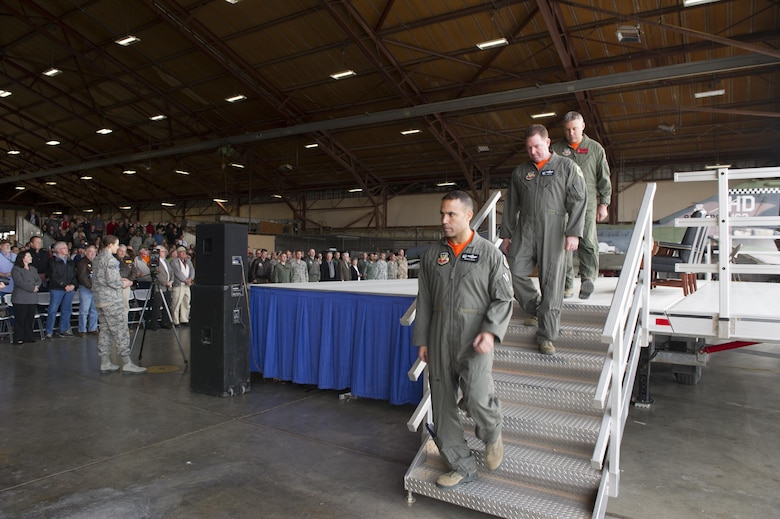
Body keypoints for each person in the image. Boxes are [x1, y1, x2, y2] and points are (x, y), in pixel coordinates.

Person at [413, 190, 514, 490]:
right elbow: (425, 300)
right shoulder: (433, 255)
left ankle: (492, 432)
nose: (444, 220)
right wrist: (423, 339)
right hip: (439, 337)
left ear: (469, 215)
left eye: (451, 214)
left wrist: (490, 331)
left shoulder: (490, 254)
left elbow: (503, 298)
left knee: (477, 397)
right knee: (443, 409)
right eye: (442, 214)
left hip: (475, 339)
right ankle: (463, 466)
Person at [500, 124, 587, 355]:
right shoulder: (520, 172)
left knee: (552, 283)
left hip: (555, 229)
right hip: (525, 228)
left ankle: (547, 336)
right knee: (513, 270)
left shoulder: (567, 167)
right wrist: (506, 234)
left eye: (537, 146)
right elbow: (510, 205)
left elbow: (578, 200)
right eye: (529, 148)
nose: (533, 152)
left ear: (547, 143)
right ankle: (535, 307)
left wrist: (573, 232)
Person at [550, 111, 612, 299]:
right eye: (567, 130)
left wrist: (604, 203)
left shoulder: (595, 149)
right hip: (561, 204)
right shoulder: (556, 149)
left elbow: (604, 178)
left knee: (588, 241)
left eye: (575, 129)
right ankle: (567, 284)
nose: (571, 133)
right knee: (563, 245)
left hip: (588, 203)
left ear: (583, 126)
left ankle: (588, 279)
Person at [92, 235, 145, 374]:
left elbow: (102, 278)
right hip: (111, 300)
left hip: (100, 299)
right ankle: (127, 362)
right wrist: (124, 283)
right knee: (121, 330)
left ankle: (105, 362)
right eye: (116, 245)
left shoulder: (98, 258)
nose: (118, 247)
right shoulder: (110, 259)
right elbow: (112, 281)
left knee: (105, 331)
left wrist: (118, 278)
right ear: (110, 245)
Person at [45, 241, 78, 339]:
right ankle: (49, 331)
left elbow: (73, 275)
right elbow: (53, 276)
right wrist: (64, 285)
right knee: (53, 310)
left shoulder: (70, 261)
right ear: (58, 250)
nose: (67, 249)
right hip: (56, 288)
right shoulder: (52, 261)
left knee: (67, 309)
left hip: (69, 288)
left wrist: (73, 285)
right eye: (64, 248)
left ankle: (64, 330)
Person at [11, 251, 40, 344]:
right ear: (23, 258)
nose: (31, 257)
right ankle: (18, 337)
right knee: (20, 319)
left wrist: (36, 286)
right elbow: (19, 282)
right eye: (28, 256)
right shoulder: (16, 269)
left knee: (29, 319)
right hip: (21, 298)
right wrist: (32, 287)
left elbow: (38, 280)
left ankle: (28, 336)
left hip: (32, 298)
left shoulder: (33, 269)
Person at [76, 245, 99, 337]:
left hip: (96, 289)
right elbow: (82, 277)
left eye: (94, 252)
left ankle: (93, 328)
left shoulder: (97, 262)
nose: (92, 254)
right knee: (84, 310)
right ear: (85, 253)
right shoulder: (82, 263)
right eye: (90, 252)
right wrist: (90, 286)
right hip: (86, 288)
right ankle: (82, 329)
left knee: (94, 310)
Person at [149, 246, 173, 330]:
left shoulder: (166, 261)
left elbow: (171, 272)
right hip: (159, 287)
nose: (165, 252)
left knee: (167, 305)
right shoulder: (155, 261)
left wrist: (170, 281)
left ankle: (165, 322)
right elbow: (156, 273)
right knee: (157, 306)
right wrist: (164, 282)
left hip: (168, 287)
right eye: (163, 251)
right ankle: (154, 324)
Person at [170, 246, 194, 326]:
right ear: (178, 254)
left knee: (186, 302)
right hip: (179, 285)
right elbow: (177, 272)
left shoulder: (188, 261)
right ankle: (175, 320)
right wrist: (185, 280)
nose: (184, 254)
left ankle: (184, 319)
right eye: (182, 252)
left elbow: (192, 270)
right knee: (176, 303)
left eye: (184, 252)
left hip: (187, 285)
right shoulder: (174, 262)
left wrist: (190, 279)